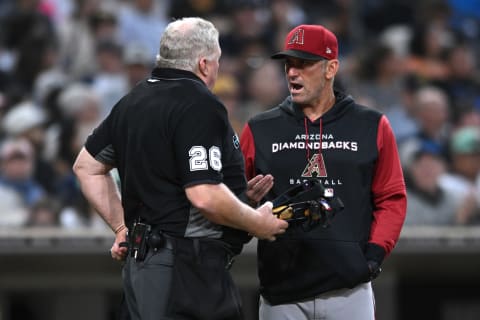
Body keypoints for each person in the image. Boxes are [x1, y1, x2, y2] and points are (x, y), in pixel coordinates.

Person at [72, 17, 288, 320]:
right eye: (216, 61)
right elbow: (204, 195)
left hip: (144, 263)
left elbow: (87, 167)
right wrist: (257, 222)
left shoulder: (133, 100)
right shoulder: (199, 103)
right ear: (203, 63)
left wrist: (122, 229)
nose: (216, 70)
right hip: (184, 267)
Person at [240, 24, 407, 320]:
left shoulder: (371, 126)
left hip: (349, 288)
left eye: (303, 63)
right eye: (289, 64)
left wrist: (374, 254)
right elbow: (233, 199)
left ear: (331, 68)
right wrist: (247, 203)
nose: (292, 72)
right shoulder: (259, 129)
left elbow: (391, 198)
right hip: (282, 289)